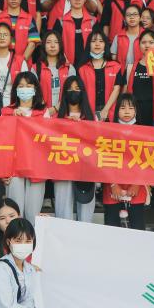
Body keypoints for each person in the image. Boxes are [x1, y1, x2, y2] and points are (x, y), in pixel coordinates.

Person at [3, 73, 51, 223]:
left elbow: (48, 140)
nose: (25, 89)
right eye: (21, 86)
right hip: (13, 168)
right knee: (14, 214)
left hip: (37, 167)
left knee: (33, 215)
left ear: (35, 89)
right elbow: (2, 143)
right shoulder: (6, 112)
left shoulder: (44, 112)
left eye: (29, 86)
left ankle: (31, 239)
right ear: (15, 89)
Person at [54, 76, 97, 223]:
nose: (73, 92)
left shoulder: (92, 118)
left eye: (77, 89)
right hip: (62, 168)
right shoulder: (55, 117)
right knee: (63, 213)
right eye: (70, 89)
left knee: (85, 215)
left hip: (85, 169)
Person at [102, 94, 148, 230]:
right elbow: (104, 160)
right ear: (117, 110)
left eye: (131, 108)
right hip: (112, 188)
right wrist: (113, 184)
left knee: (137, 229)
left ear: (136, 111)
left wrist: (137, 184)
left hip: (136, 188)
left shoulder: (145, 133)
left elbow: (147, 162)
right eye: (122, 108)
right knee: (112, 229)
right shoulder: (109, 132)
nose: (127, 111)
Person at [77, 30, 121, 120]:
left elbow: (116, 89)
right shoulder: (82, 69)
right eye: (93, 41)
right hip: (88, 112)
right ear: (89, 45)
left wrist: (105, 110)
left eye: (101, 41)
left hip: (109, 112)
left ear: (105, 45)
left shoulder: (115, 66)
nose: (97, 44)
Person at [31, 28, 74, 112]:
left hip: (64, 114)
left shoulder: (69, 68)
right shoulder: (36, 68)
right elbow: (33, 94)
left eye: (56, 42)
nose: (52, 45)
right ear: (43, 45)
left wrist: (57, 108)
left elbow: (72, 93)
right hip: (43, 114)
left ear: (60, 45)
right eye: (48, 42)